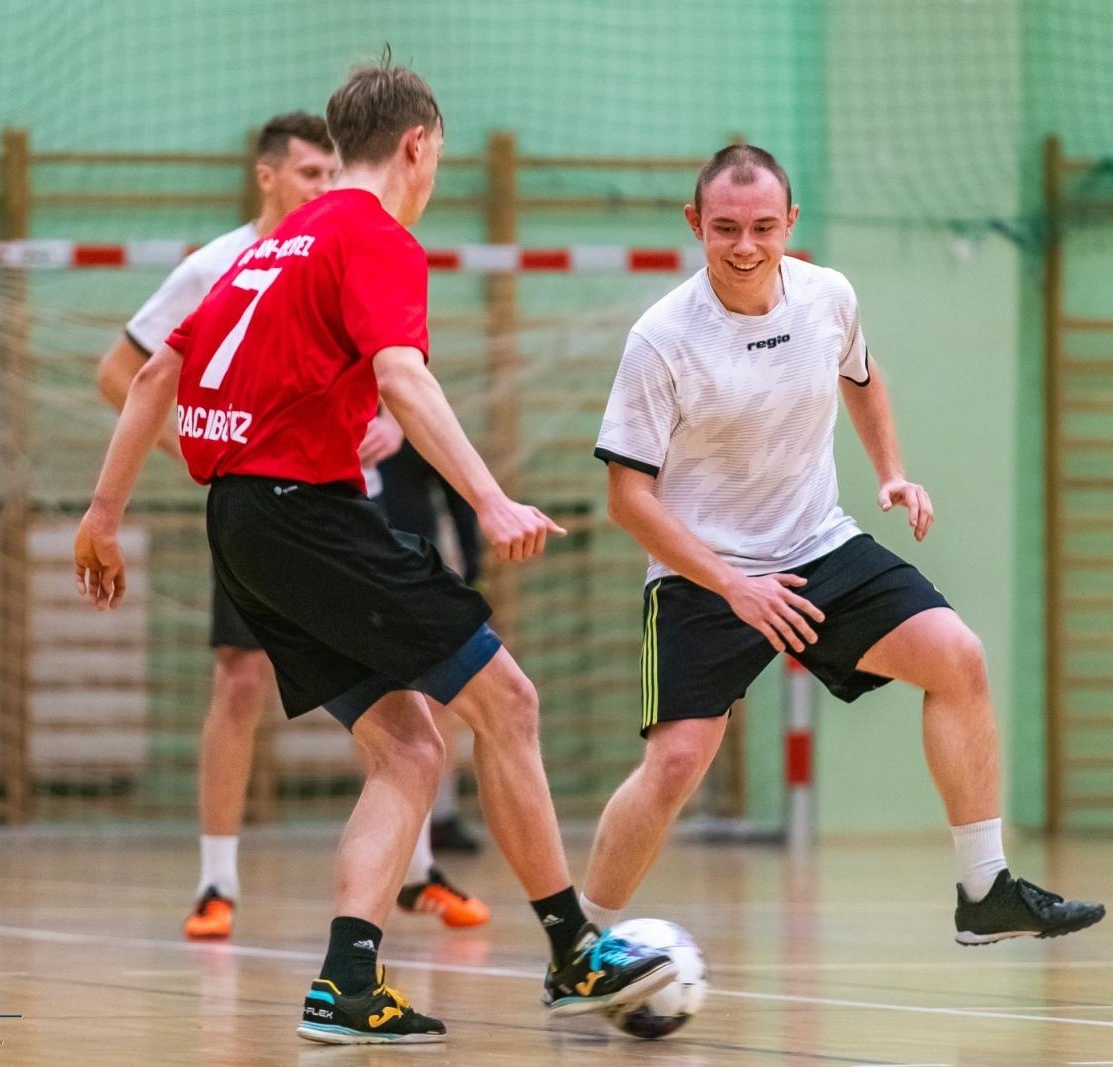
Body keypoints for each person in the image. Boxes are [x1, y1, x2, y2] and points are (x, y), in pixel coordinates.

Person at [74, 57, 673, 1045]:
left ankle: (346, 980)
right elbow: (401, 372)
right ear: (417, 145)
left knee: (406, 744)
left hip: (238, 522)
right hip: (308, 512)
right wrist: (488, 496)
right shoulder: (372, 235)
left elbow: (151, 382)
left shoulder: (271, 245)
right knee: (507, 700)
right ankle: (573, 954)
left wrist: (102, 514)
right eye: (439, 157)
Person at [582, 145, 1106, 947]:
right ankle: (579, 942)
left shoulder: (828, 296)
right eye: (725, 228)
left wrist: (892, 470)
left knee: (957, 657)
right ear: (695, 224)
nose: (746, 246)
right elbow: (628, 498)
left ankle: (984, 888)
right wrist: (733, 586)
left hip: (819, 545)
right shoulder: (661, 339)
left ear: (792, 223)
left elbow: (860, 375)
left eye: (764, 227)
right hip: (705, 573)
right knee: (678, 764)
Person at [96, 111, 487, 941]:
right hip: (270, 498)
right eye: (307, 172)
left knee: (398, 692)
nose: (322, 183)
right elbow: (129, 372)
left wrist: (385, 419)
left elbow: (387, 368)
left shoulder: (346, 240)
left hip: (344, 495)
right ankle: (217, 878)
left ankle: (413, 872)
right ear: (268, 176)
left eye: (329, 169)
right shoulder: (223, 262)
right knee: (243, 680)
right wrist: (216, 447)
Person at [378, 442, 485, 853]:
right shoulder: (330, 404)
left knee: (438, 701)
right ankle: (397, 820)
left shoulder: (409, 409)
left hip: (416, 572)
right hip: (357, 571)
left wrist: (472, 567)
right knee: (377, 703)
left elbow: (457, 486)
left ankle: (438, 818)